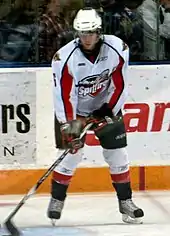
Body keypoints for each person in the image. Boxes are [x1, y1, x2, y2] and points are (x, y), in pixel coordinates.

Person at [47, 7, 144, 224]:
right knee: (72, 155)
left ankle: (125, 202)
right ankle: (56, 199)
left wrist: (108, 110)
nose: (86, 38)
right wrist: (70, 126)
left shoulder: (117, 48)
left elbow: (120, 84)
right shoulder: (63, 58)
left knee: (117, 154)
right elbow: (63, 96)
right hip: (75, 113)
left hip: (106, 107)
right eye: (82, 34)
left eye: (90, 33)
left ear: (99, 31)